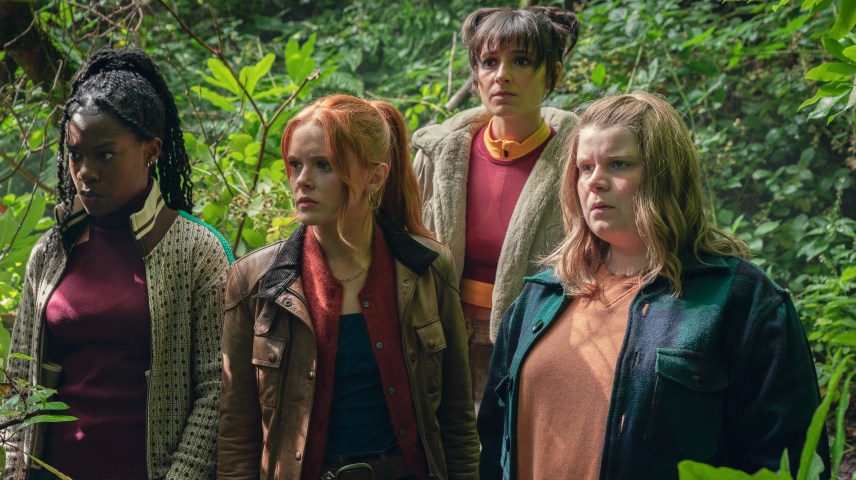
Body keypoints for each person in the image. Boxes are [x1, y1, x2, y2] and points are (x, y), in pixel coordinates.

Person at [477, 92, 828, 479]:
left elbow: (791, 462)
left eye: (619, 164)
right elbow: (494, 442)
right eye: (585, 167)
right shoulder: (539, 298)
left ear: (665, 173)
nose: (595, 182)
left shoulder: (743, 302)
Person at [217, 94, 478, 480]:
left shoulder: (427, 270)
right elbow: (238, 434)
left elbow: (457, 419)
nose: (302, 179)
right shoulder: (254, 282)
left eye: (324, 165)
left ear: (375, 176)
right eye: (295, 165)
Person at [4, 46, 233, 480]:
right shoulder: (51, 252)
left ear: (151, 150)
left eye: (104, 154)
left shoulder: (196, 252)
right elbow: (19, 376)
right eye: (75, 155)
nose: (84, 171)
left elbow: (217, 391)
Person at [411, 5, 580, 407]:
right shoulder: (437, 155)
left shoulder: (579, 162)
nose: (501, 74)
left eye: (521, 60)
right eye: (489, 62)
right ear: (476, 77)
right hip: (441, 339)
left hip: (539, 341)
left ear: (553, 74)